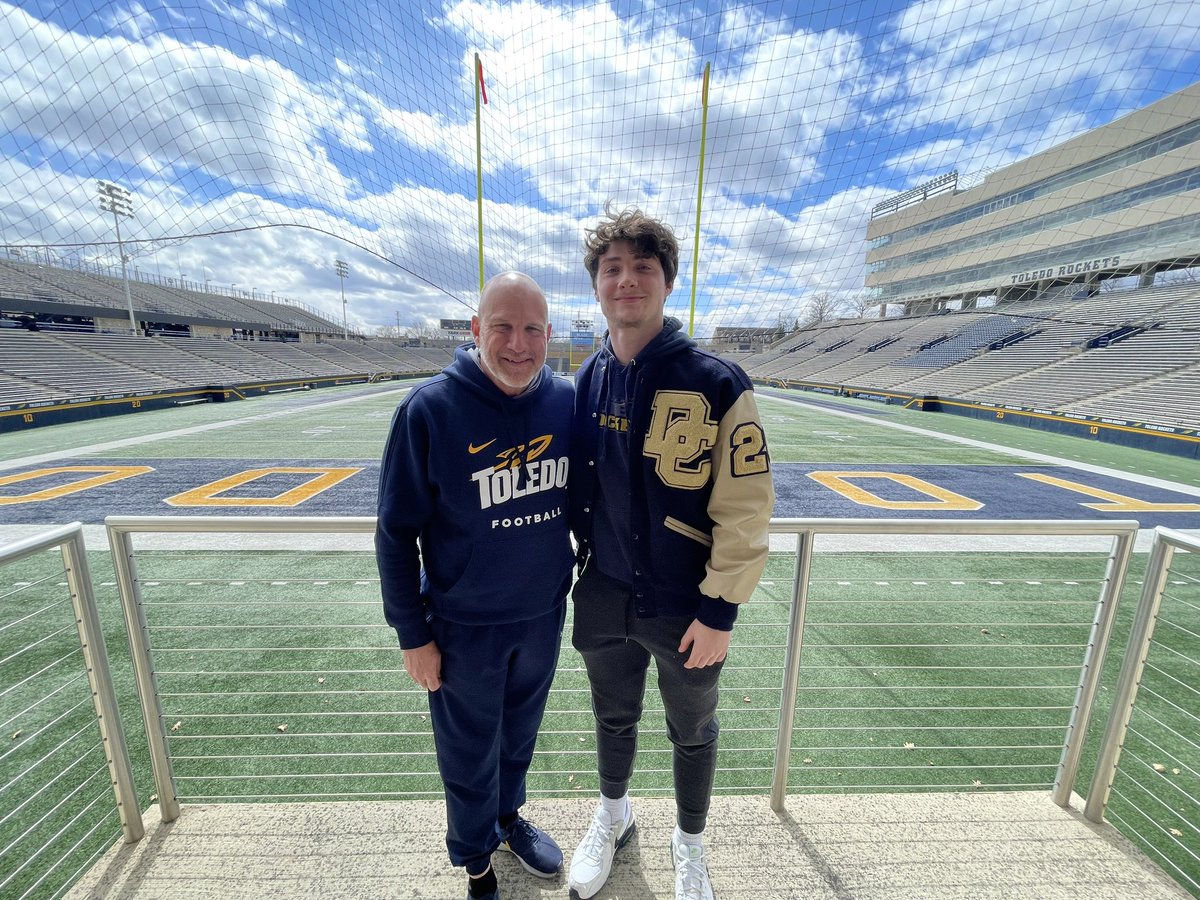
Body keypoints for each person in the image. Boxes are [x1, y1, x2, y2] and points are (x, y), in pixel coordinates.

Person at [566, 208, 774, 900]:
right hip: (604, 592)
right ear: (597, 285)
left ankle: (691, 846)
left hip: (688, 607)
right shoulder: (587, 378)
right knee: (611, 716)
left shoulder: (717, 379)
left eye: (641, 267)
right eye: (612, 268)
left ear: (666, 281)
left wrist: (720, 610)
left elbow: (746, 508)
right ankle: (614, 816)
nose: (626, 280)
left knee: (692, 730)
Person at [375, 272, 573, 900]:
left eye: (532, 329)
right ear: (475, 331)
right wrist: (413, 633)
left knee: (519, 736)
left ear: (549, 334)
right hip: (462, 626)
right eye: (502, 327)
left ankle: (509, 818)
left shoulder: (565, 402)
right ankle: (475, 860)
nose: (518, 343)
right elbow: (393, 533)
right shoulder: (429, 410)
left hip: (541, 615)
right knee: (467, 753)